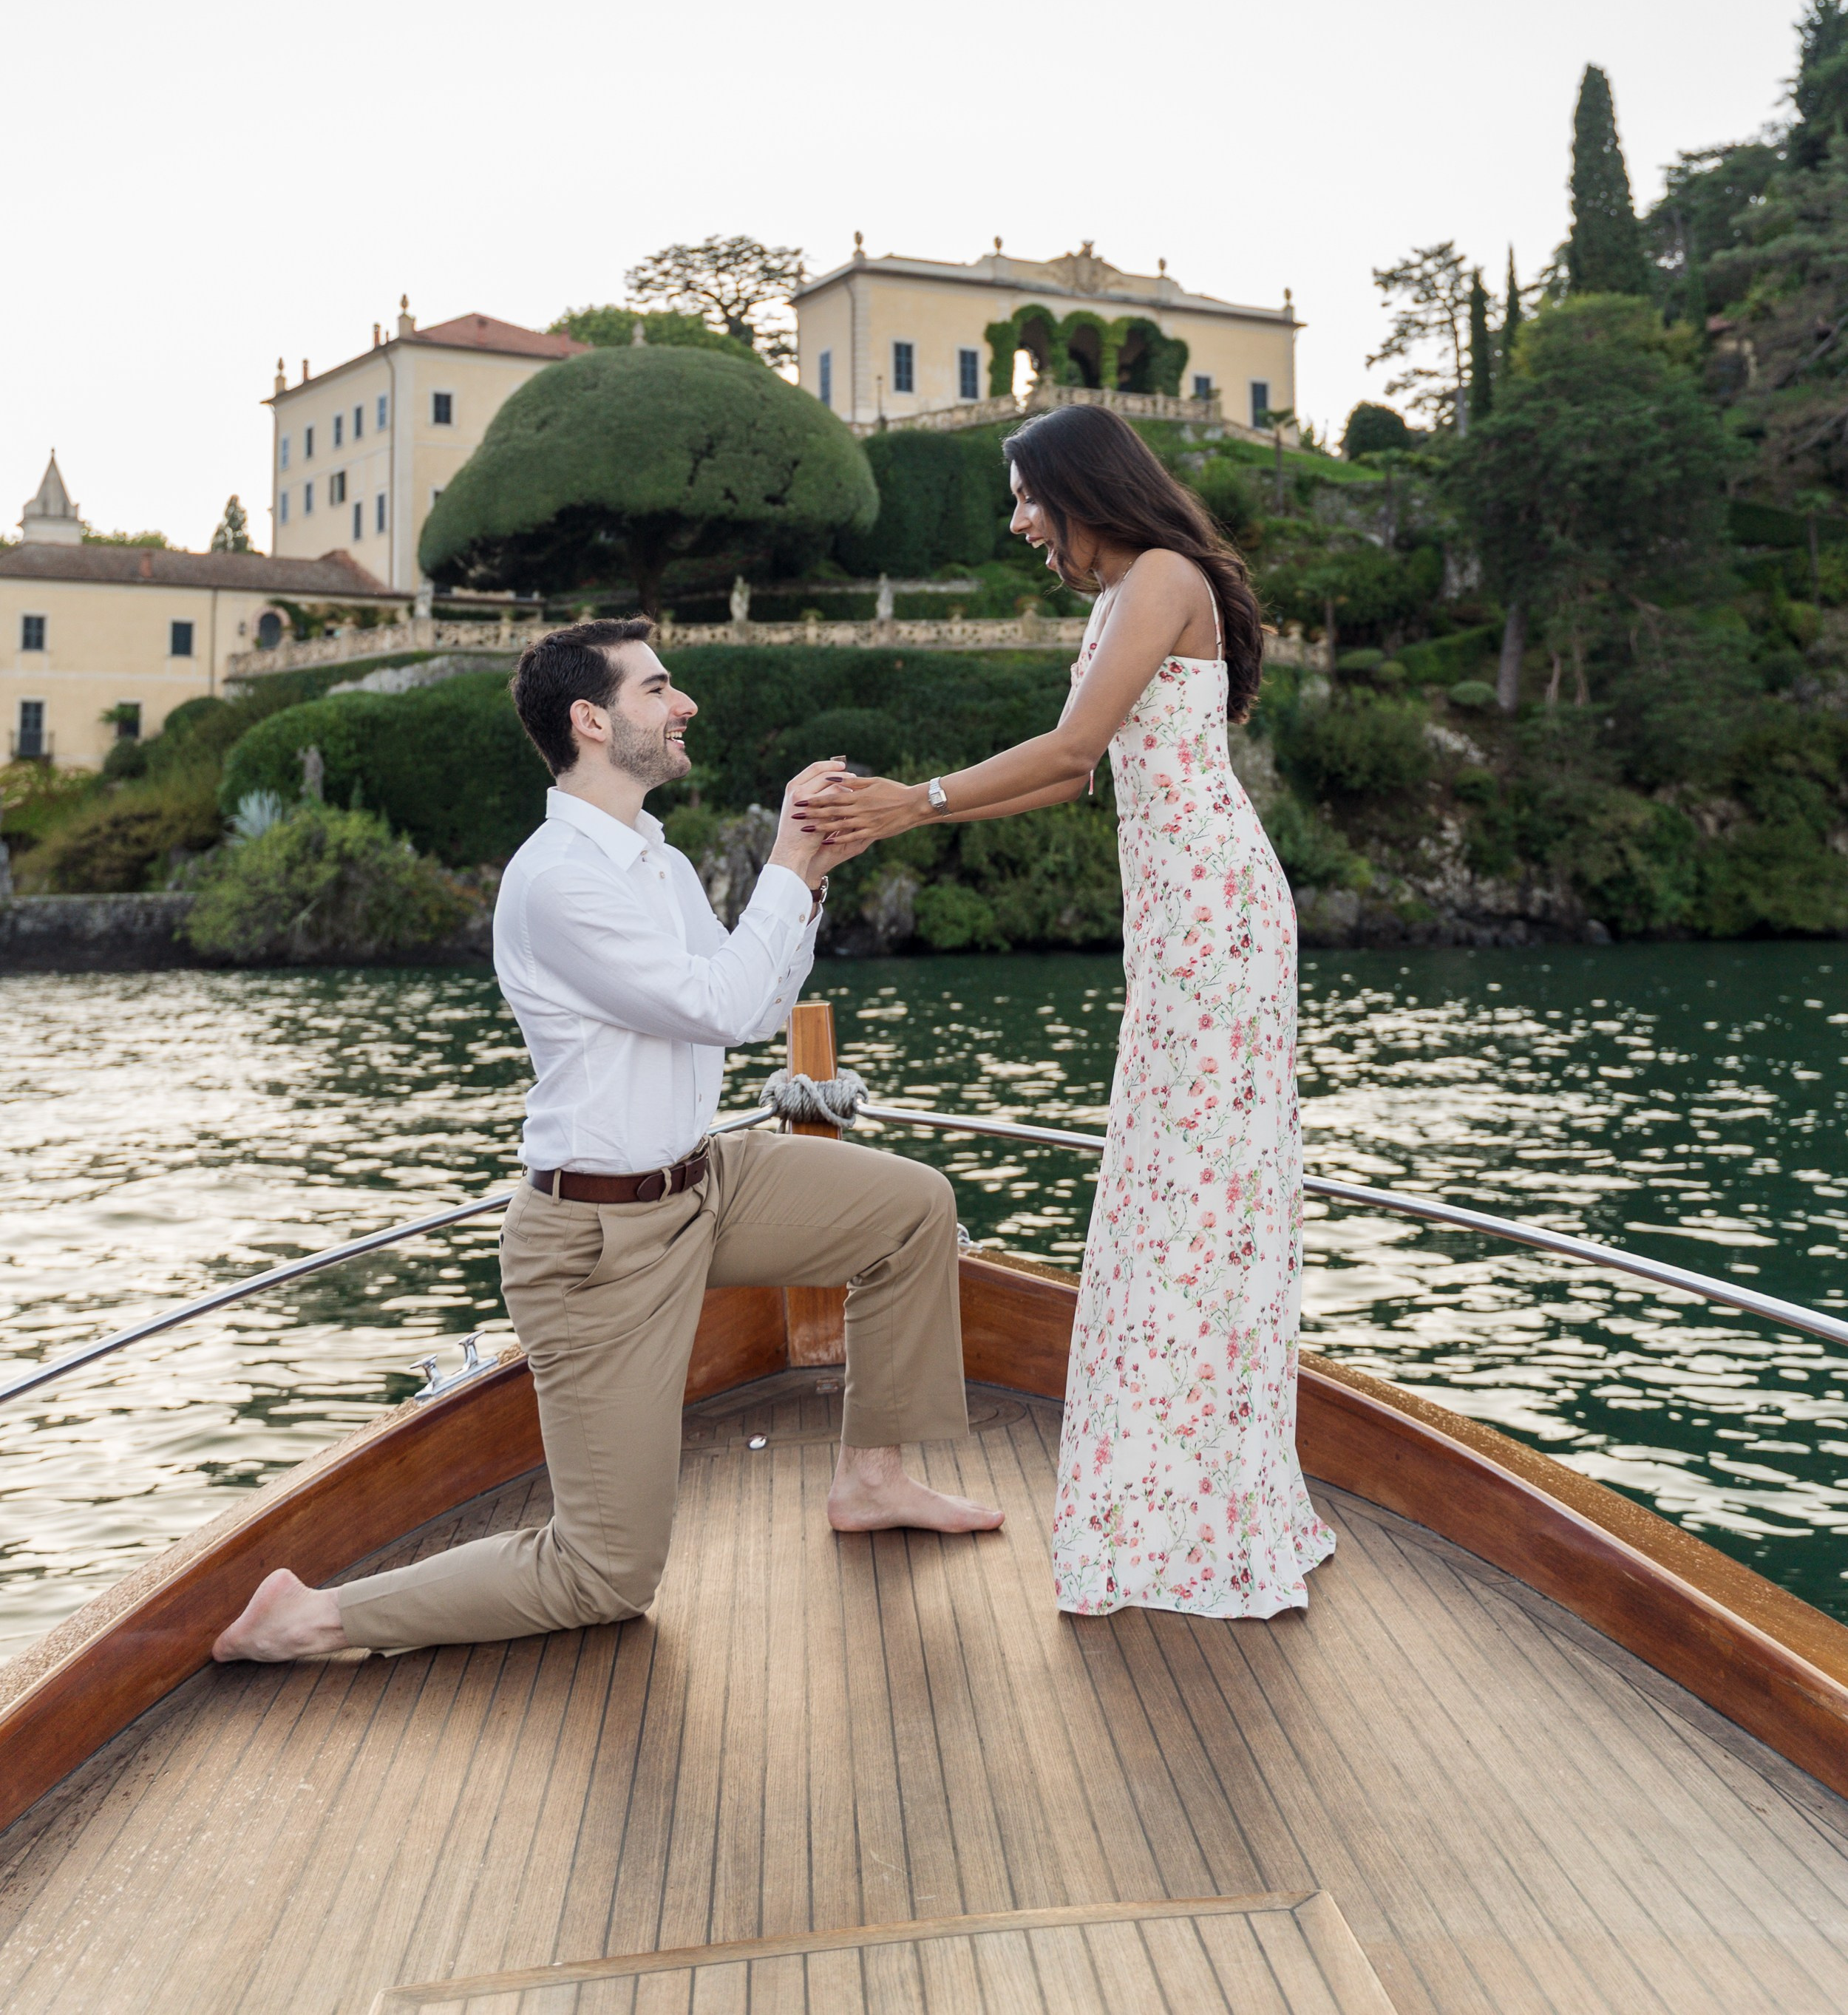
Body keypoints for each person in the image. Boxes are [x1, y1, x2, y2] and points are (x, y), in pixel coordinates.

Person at [214, 619, 999, 1667]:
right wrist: (781, 856)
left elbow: (755, 1007)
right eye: (659, 688)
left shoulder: (657, 863)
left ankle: (871, 1480)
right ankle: (310, 1617)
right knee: (607, 1574)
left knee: (909, 1209)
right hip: (597, 1241)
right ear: (592, 720)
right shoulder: (558, 881)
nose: (685, 706)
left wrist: (806, 876)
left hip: (704, 1183)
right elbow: (721, 1005)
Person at [800, 410, 1335, 1619]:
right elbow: (1070, 775)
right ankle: (1182, 1496)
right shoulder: (1131, 592)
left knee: (1199, 1194)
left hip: (1216, 913)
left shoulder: (1163, 576)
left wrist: (909, 805)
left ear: (1081, 484)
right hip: (1180, 915)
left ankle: (1200, 1513)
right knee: (1176, 1190)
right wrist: (910, 812)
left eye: (1028, 496)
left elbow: (1070, 747)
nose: (1018, 520)